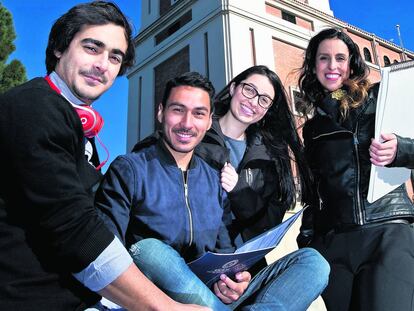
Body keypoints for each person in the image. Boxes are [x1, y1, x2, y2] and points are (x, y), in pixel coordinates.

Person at [0, 2, 209, 310]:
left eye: (115, 57)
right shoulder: (34, 107)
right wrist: (165, 307)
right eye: (92, 48)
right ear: (59, 48)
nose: (103, 64)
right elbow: (75, 230)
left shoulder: (77, 124)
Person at [95, 71, 330, 310]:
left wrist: (235, 281)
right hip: (159, 290)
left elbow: (227, 252)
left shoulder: (213, 178)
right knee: (149, 250)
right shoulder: (131, 169)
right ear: (160, 112)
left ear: (208, 122)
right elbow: (106, 250)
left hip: (209, 289)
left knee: (313, 262)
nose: (187, 123)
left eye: (198, 114)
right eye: (177, 110)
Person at [296, 27, 414, 311]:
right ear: (314, 66)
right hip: (334, 245)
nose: (332, 65)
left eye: (340, 57)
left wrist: (403, 149)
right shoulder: (313, 128)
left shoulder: (380, 99)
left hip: (387, 231)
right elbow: (314, 191)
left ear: (352, 63)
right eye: (324, 58)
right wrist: (309, 241)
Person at [196, 65, 313, 243]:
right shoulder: (196, 133)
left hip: (243, 261)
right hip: (193, 253)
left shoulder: (268, 157)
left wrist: (239, 190)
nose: (253, 102)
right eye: (249, 90)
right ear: (234, 88)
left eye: (264, 100)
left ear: (267, 110)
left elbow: (267, 225)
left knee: (312, 261)